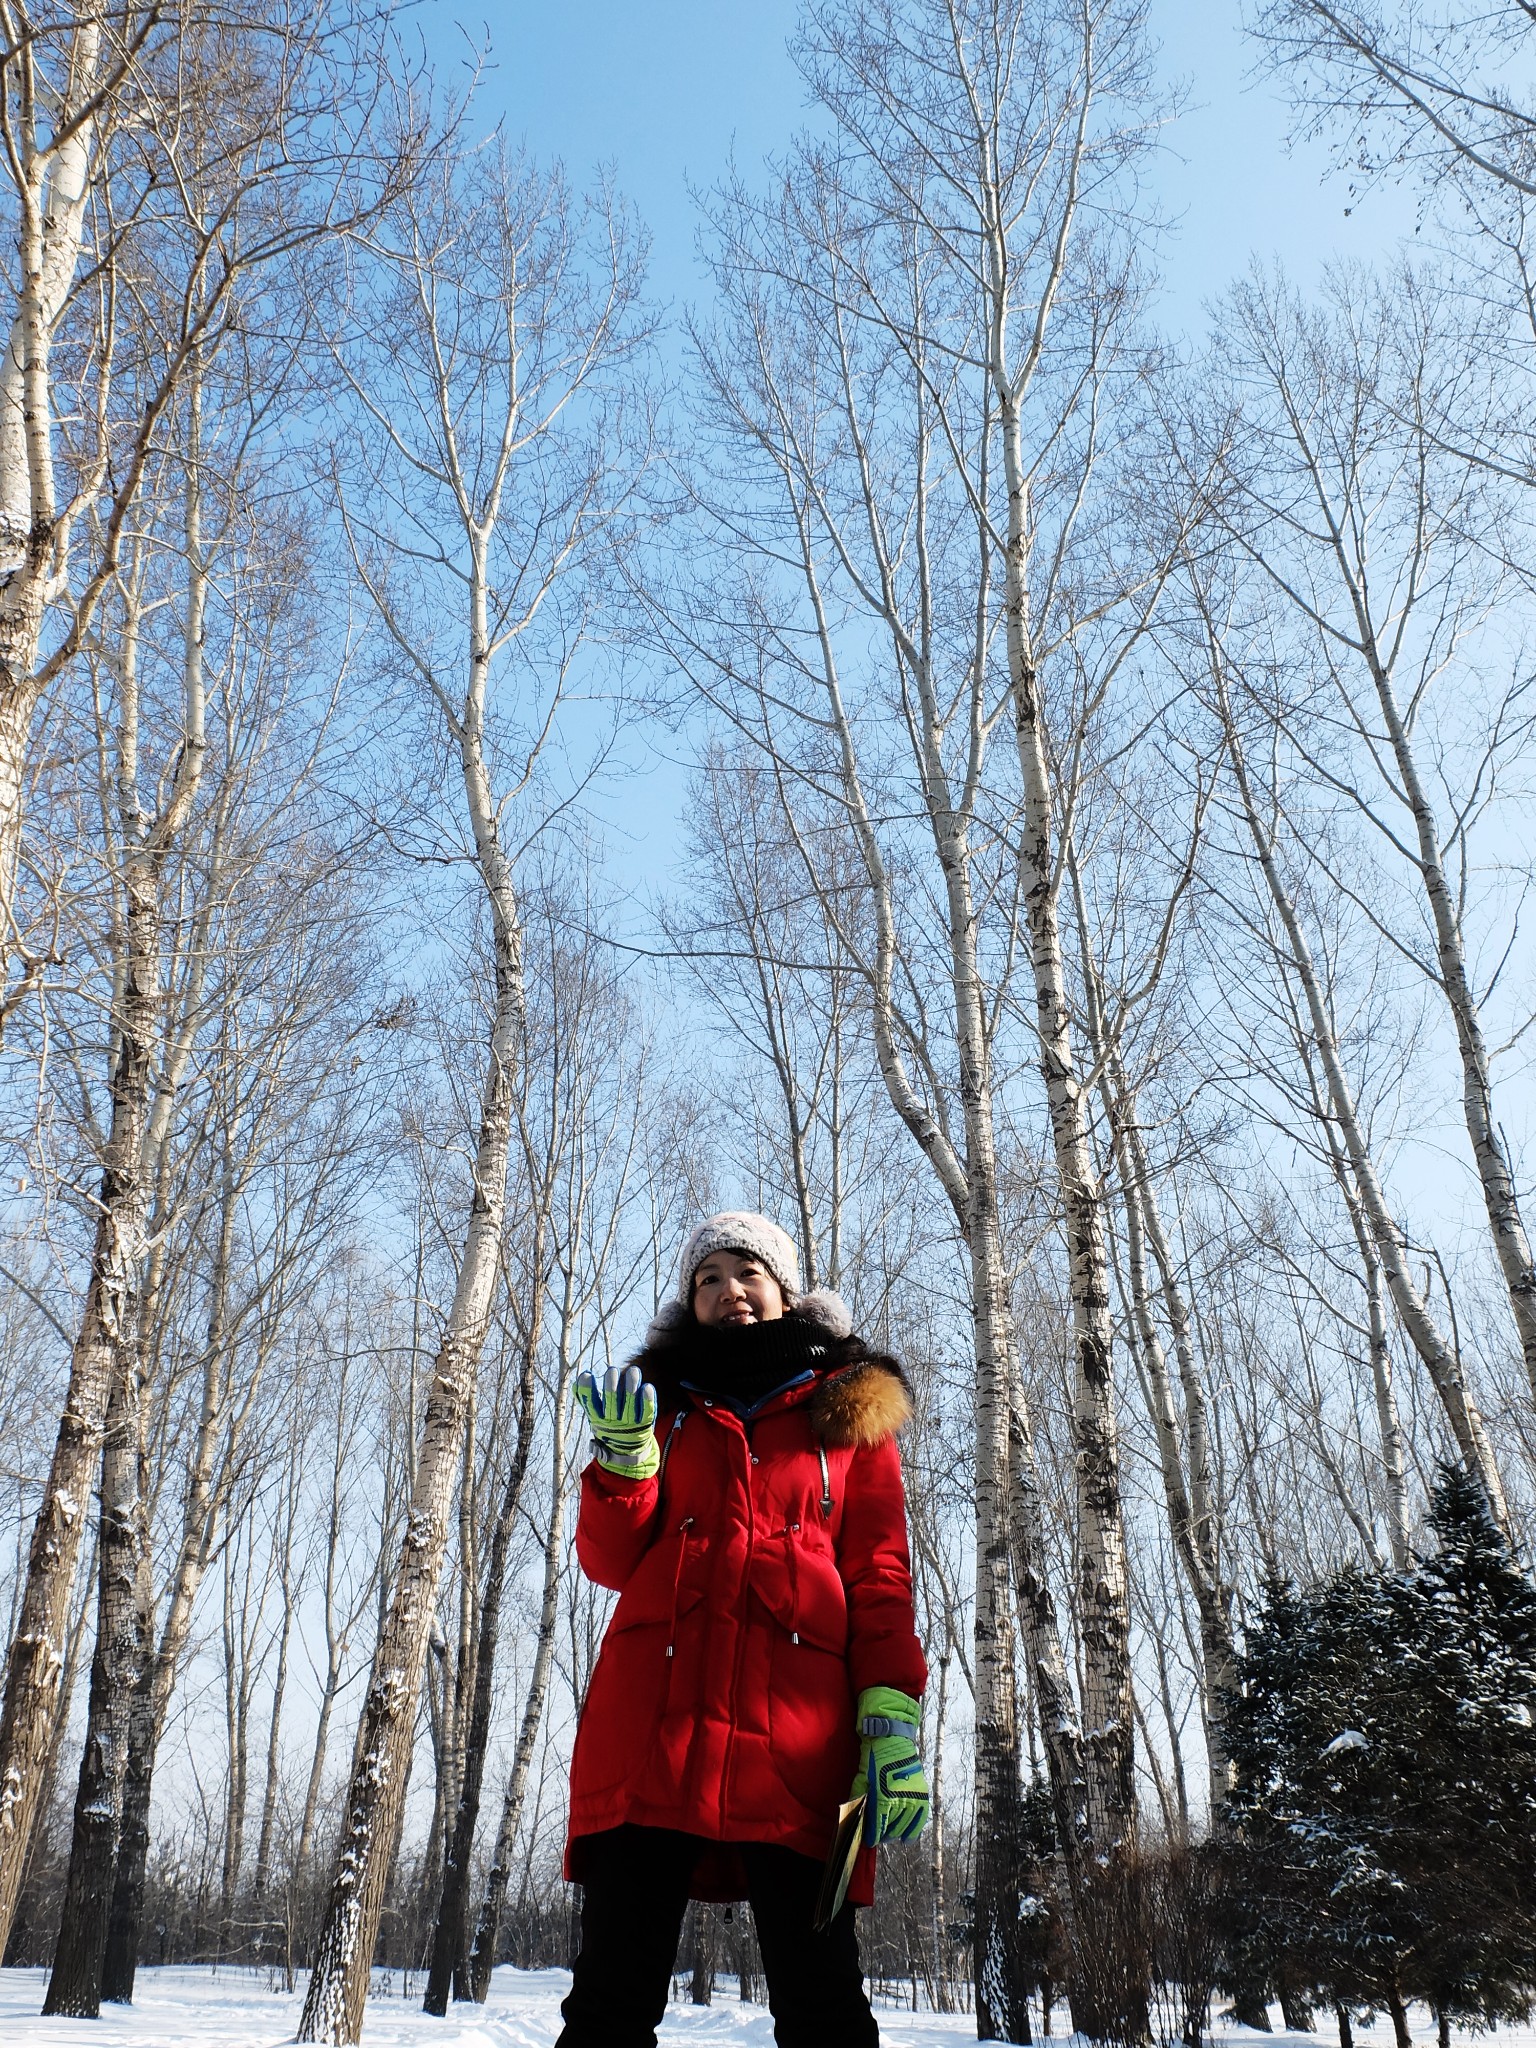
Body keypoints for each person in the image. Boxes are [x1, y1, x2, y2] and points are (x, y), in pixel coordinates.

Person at [557, 1211, 929, 2048]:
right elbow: (611, 1563)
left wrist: (891, 1709)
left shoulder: (847, 1410)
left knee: (823, 2004)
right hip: (653, 1729)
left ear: (786, 1289)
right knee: (608, 2002)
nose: (729, 1291)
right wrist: (623, 1468)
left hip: (797, 1740)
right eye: (708, 1278)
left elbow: (878, 1572)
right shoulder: (656, 1404)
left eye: (748, 1272)